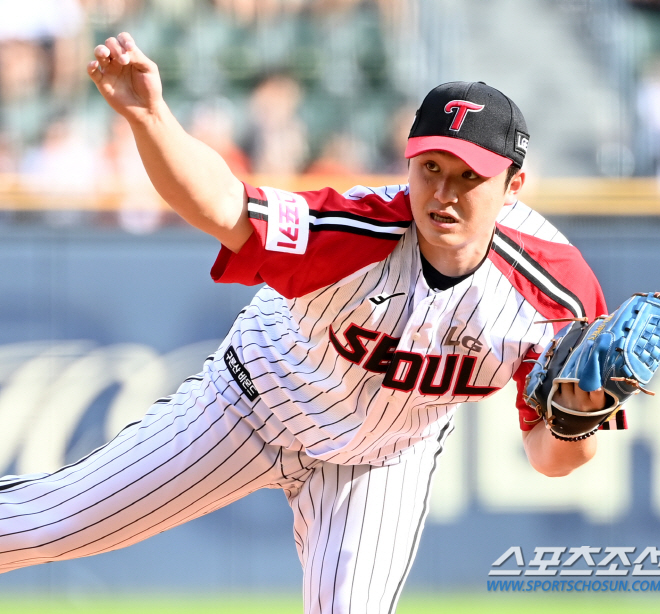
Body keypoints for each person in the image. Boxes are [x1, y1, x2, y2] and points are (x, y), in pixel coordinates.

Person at [0, 33, 616, 614]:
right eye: (430, 167)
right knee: (44, 524)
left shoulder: (558, 296)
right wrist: (151, 119)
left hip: (381, 460)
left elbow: (552, 460)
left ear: (514, 187)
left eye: (469, 177)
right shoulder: (355, 231)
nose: (443, 193)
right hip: (248, 411)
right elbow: (223, 204)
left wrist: (578, 414)